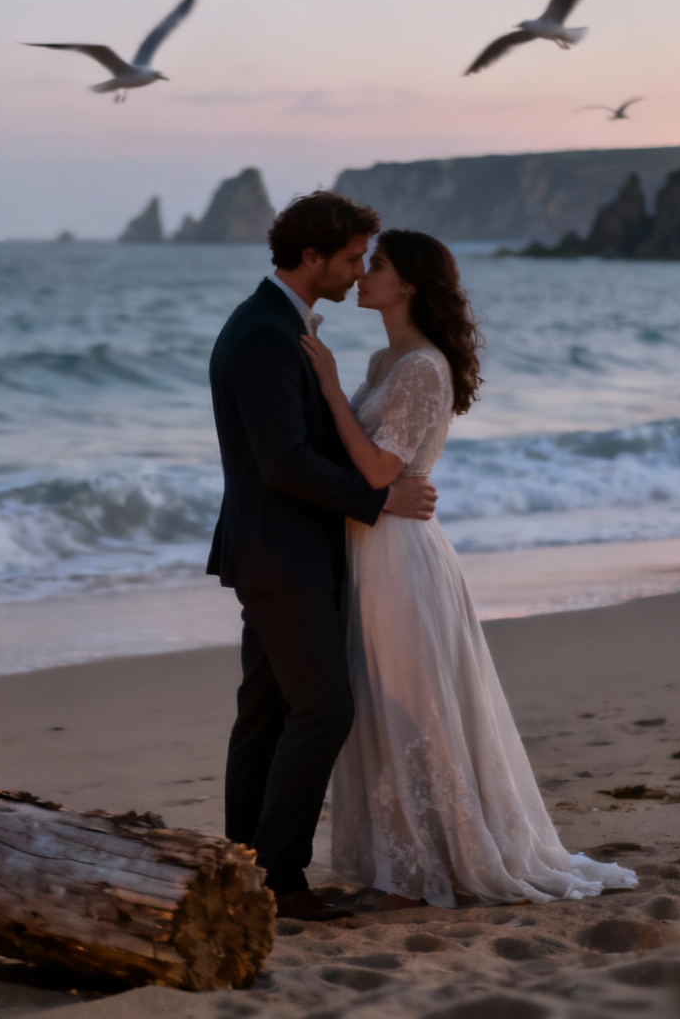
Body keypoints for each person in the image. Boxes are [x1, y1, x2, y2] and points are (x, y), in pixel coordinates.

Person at [300, 229, 637, 909]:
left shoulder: (422, 367)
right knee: (378, 708)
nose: (363, 274)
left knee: (411, 707)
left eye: (380, 266)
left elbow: (376, 470)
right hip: (369, 549)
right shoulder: (384, 359)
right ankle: (399, 863)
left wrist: (329, 387)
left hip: (400, 559)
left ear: (411, 284)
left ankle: (426, 870)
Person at [206, 193, 439, 921]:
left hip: (287, 549)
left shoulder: (279, 325)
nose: (357, 270)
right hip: (282, 553)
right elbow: (282, 464)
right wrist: (379, 500)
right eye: (349, 259)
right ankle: (279, 878)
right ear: (311, 258)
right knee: (323, 709)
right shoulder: (263, 335)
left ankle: (245, 869)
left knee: (268, 715)